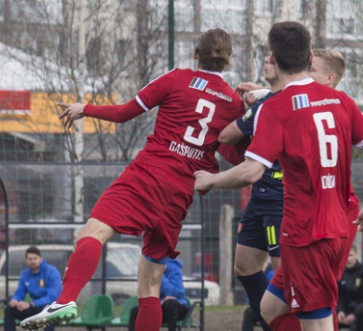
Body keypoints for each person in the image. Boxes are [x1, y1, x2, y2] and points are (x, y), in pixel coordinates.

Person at [20, 28, 247, 331]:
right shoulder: (233, 103)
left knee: (91, 232)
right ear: (228, 60)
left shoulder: (176, 78)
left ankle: (66, 299)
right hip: (181, 193)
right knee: (150, 284)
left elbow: (125, 112)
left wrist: (84, 108)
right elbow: (234, 155)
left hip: (149, 175)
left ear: (196, 53)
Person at [194, 21, 363, 331]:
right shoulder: (340, 100)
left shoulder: (277, 108)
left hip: (308, 234)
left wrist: (210, 180)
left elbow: (251, 171)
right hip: (338, 226)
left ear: (273, 57)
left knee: (317, 323)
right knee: (271, 308)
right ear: (309, 56)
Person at [219, 54, 284, 331]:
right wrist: (258, 95)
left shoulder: (270, 105)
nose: (265, 61)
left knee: (286, 278)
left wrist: (211, 178)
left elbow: (225, 136)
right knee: (244, 267)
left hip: (279, 199)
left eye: (271, 58)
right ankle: (274, 324)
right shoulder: (267, 100)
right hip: (260, 195)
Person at [4, 246, 62, 331]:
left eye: (35, 258)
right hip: (35, 308)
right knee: (9, 309)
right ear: (26, 261)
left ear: (40, 259)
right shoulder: (25, 274)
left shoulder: (52, 272)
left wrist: (31, 304)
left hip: (53, 308)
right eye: (30, 259)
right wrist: (15, 300)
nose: (33, 261)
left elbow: (52, 297)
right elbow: (20, 292)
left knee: (48, 310)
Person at [128, 258, 189, 331]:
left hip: (178, 307)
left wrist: (160, 275)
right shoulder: (150, 271)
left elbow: (172, 293)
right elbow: (148, 291)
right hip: (160, 305)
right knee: (135, 311)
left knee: (170, 304)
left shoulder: (175, 271)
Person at [336, 245, 363, 331]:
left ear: (356, 255)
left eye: (350, 255)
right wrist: (340, 311)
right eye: (345, 256)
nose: (348, 259)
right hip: (345, 311)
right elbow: (339, 297)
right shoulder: (341, 273)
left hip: (359, 311)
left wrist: (355, 314)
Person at [241, 261, 274, 331]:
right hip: (260, 306)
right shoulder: (252, 275)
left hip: (273, 307)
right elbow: (248, 296)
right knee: (249, 313)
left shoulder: (271, 274)